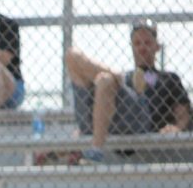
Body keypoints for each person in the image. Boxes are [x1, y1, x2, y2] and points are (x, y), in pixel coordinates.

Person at [65, 18, 191, 164]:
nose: (142, 47)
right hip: (108, 118)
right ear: (131, 46)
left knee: (106, 80)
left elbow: (183, 113)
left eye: (147, 42)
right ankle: (114, 76)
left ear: (157, 46)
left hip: (139, 121)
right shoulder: (127, 76)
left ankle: (96, 149)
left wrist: (177, 127)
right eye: (137, 43)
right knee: (71, 56)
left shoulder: (168, 78)